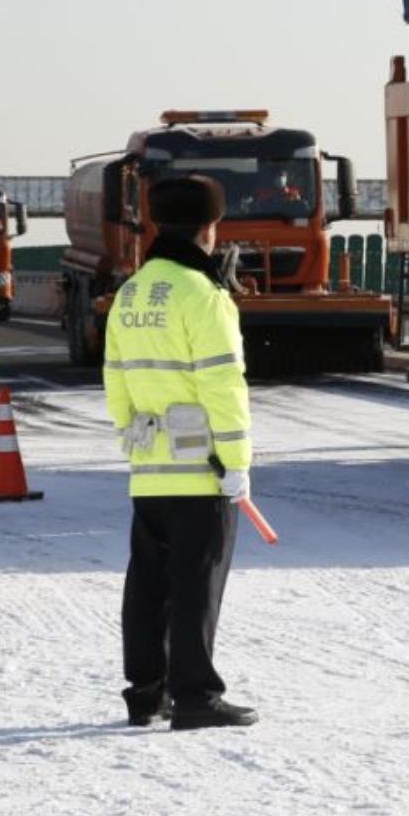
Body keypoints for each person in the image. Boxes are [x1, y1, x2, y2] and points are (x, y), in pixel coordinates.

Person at [103, 175, 257, 731]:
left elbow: (115, 376)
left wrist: (131, 433)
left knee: (147, 584)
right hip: (203, 472)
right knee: (197, 583)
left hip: (149, 468)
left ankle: (145, 694)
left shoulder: (132, 292)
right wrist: (237, 461)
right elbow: (223, 385)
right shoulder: (204, 296)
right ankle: (195, 696)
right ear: (209, 229)